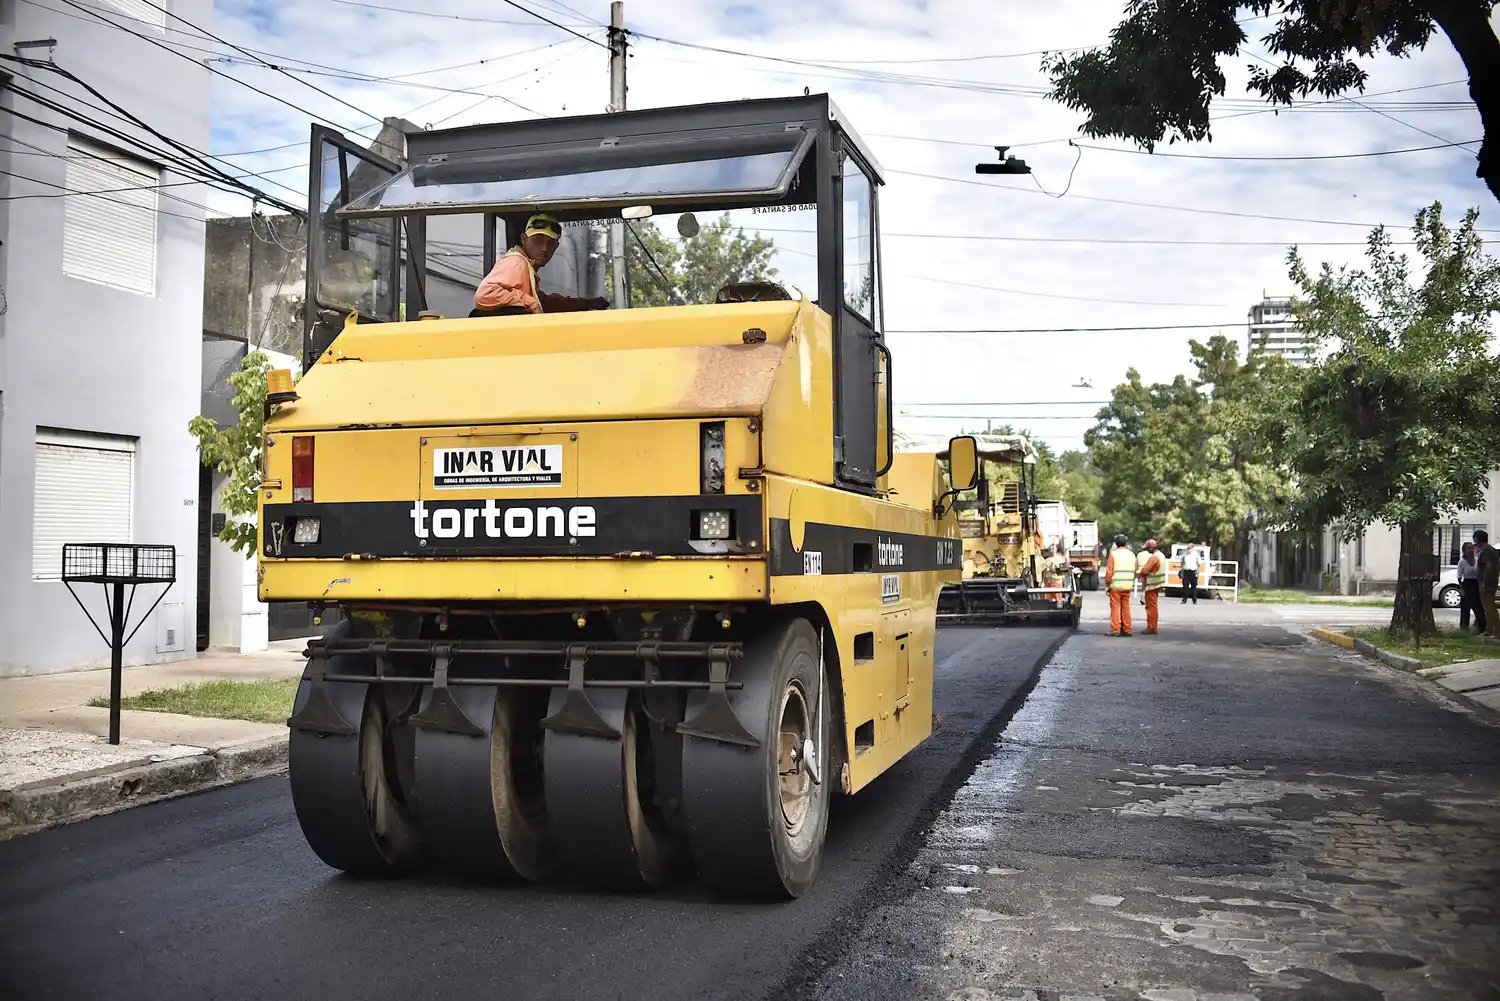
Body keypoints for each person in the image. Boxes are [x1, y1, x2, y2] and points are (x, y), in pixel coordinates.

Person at [472, 212, 610, 317]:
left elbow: (546, 303)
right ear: (524, 239)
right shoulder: (516, 263)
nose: (544, 248)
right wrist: (530, 303)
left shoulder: (527, 268)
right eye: (538, 241)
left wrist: (586, 304)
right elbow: (485, 294)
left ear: (556, 247)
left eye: (550, 243)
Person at [1104, 534, 1137, 637]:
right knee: (1126, 607)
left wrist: (1107, 584)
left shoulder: (1113, 555)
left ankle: (1116, 630)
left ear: (1116, 543)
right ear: (1125, 543)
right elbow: (1135, 570)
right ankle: (1127, 629)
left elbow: (1109, 572)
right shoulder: (1132, 555)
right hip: (1127, 585)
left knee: (1115, 608)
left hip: (1116, 586)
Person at [1137, 539, 1167, 634]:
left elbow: (1145, 570)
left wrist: (1139, 573)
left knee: (1151, 607)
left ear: (1150, 548)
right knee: (1153, 606)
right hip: (1158, 583)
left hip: (1152, 584)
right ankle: (1153, 627)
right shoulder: (1161, 555)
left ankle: (1152, 628)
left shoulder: (1154, 557)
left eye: (1147, 548)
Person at [1475, 529, 1500, 640]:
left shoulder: (1487, 551)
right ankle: (1489, 630)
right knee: (1488, 607)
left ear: (1477, 539)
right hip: (1489, 582)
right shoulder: (1490, 550)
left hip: (1487, 583)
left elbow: (1488, 567)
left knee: (1490, 607)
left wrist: (1484, 582)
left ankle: (1495, 631)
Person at [1457, 541, 1485, 634]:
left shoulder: (1477, 560)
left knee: (1478, 606)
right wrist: (1461, 588)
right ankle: (1464, 626)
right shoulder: (1462, 562)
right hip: (1467, 584)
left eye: (1472, 548)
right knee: (1466, 607)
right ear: (1464, 551)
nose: (1470, 550)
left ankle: (1481, 626)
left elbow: (1481, 573)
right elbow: (1459, 576)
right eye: (1468, 548)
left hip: (1476, 584)